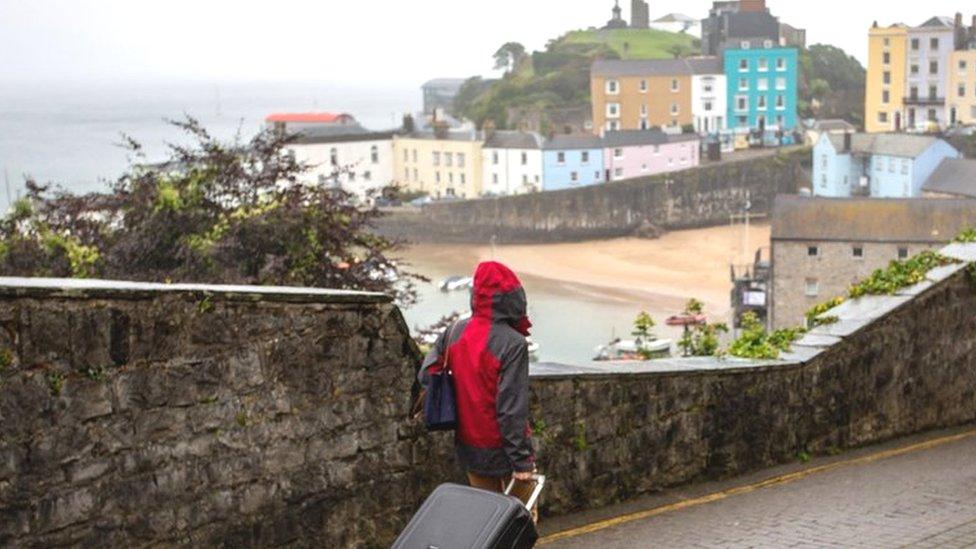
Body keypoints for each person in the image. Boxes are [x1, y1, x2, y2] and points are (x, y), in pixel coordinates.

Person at [419, 261, 537, 509]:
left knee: (489, 519)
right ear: (514, 299)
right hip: (503, 450)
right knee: (520, 522)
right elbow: (511, 408)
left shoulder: (455, 331)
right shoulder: (513, 343)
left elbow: (427, 374)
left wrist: (461, 386)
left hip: (469, 446)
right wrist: (522, 462)